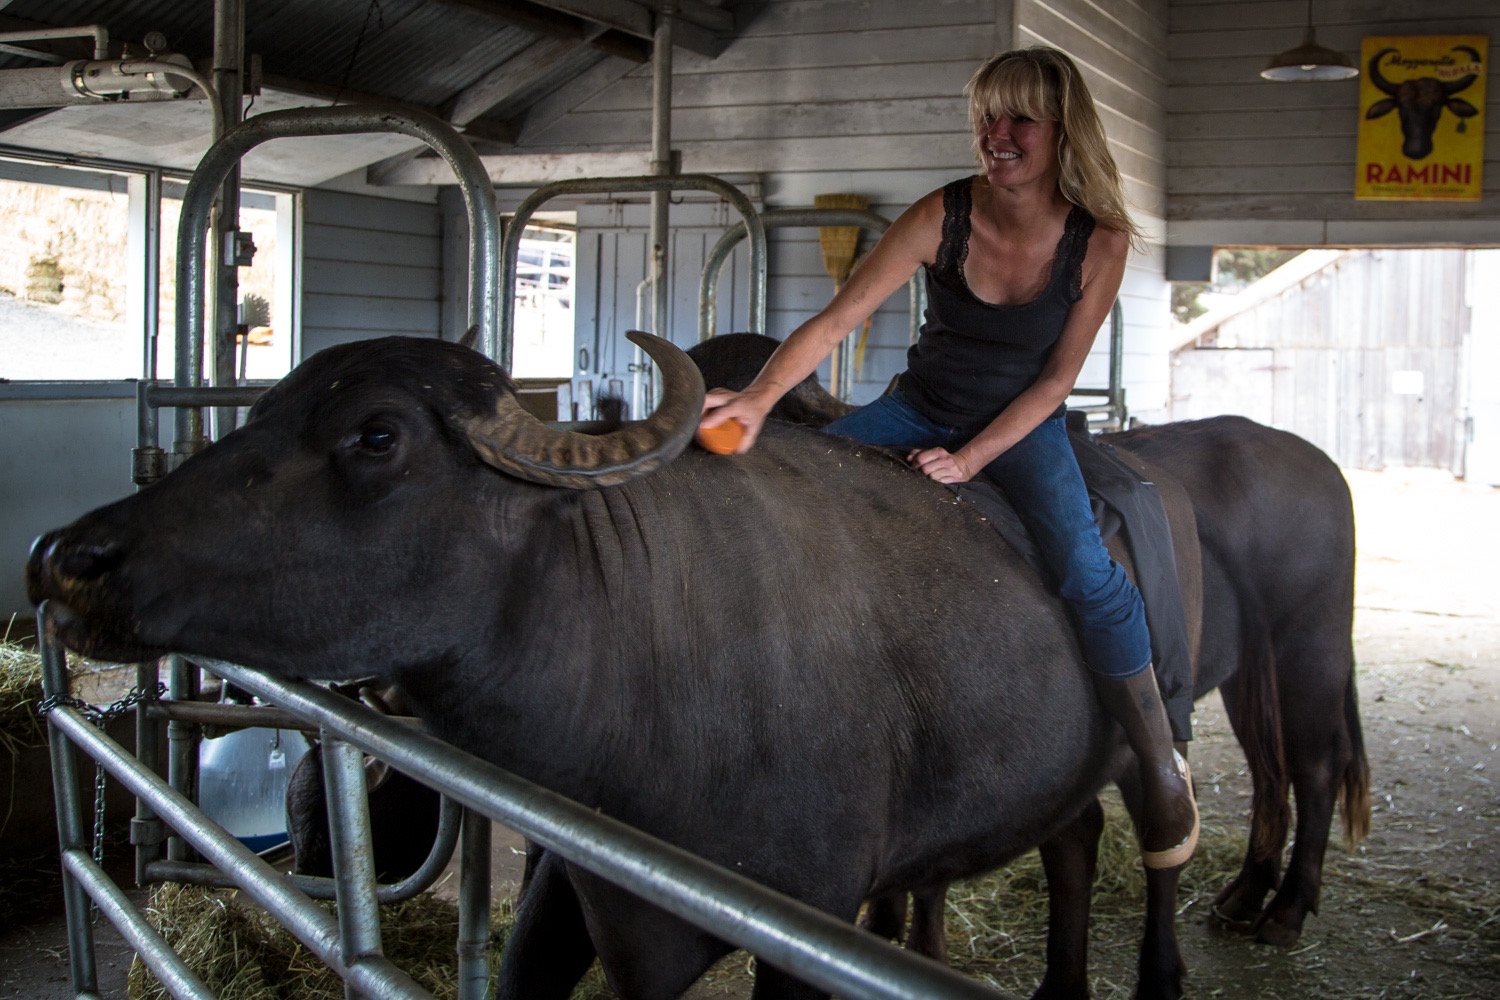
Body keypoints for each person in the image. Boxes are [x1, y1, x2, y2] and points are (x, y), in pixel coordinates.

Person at [698, 46, 1197, 869]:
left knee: (1084, 566)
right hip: (916, 405)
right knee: (789, 482)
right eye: (986, 118)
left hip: (1022, 427)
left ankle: (1158, 761)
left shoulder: (1100, 243)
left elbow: (1056, 383)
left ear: (1061, 130)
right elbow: (834, 321)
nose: (996, 136)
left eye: (1019, 120)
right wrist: (756, 399)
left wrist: (967, 460)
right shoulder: (943, 213)